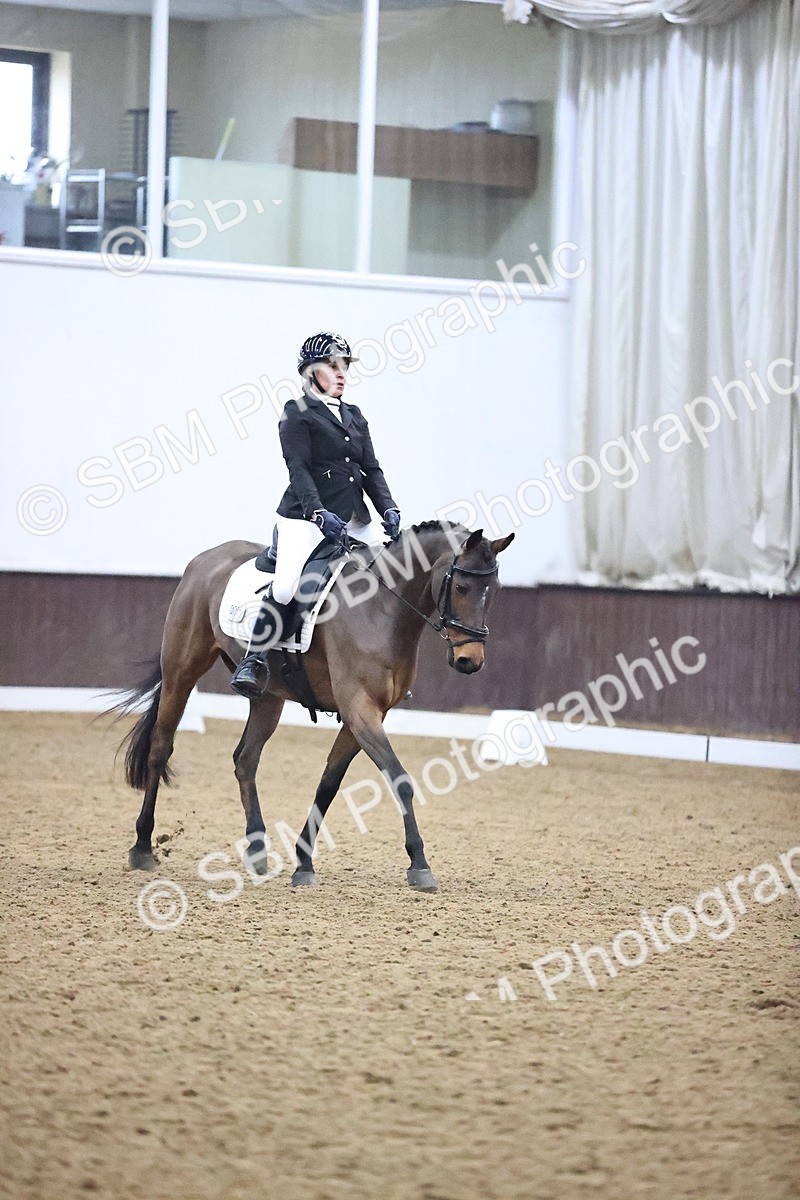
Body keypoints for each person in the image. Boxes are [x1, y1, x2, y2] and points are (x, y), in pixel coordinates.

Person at [230, 331, 402, 699]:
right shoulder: (297, 413)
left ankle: (382, 663)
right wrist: (318, 512)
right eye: (332, 366)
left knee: (392, 571)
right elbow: (299, 468)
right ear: (311, 372)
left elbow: (371, 468)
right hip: (304, 518)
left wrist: (388, 507)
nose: (341, 373)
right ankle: (254, 659)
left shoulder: (354, 415)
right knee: (286, 586)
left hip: (353, 516)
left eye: (344, 367)